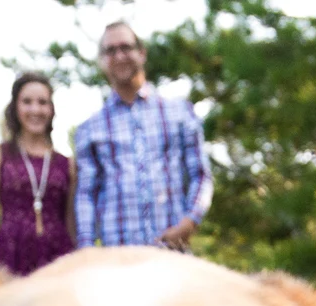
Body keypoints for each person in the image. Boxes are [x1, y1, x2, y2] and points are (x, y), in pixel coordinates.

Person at [73, 21, 212, 251]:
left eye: (125, 47)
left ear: (142, 53)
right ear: (102, 61)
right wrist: (87, 247)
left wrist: (190, 222)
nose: (119, 56)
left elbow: (200, 175)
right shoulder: (89, 129)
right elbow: (86, 194)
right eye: (110, 50)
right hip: (117, 259)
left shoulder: (180, 113)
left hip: (171, 254)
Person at [0, 72, 76, 277]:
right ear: (16, 107)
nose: (35, 109)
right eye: (27, 102)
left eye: (42, 102)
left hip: (58, 257)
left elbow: (70, 219)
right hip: (10, 254)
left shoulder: (66, 164)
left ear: (51, 109)